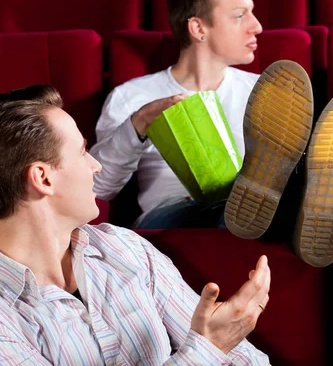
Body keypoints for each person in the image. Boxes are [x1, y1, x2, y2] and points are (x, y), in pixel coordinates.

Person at [0, 85, 270, 364]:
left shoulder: (125, 247)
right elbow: (216, 347)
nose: (96, 166)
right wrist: (210, 347)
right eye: (82, 151)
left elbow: (244, 358)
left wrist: (219, 344)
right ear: (43, 179)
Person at [90, 0, 263, 228]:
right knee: (237, 209)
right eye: (240, 16)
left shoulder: (262, 90)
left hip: (248, 206)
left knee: (247, 204)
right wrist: (139, 124)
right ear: (198, 27)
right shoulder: (132, 96)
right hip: (170, 216)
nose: (257, 26)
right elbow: (98, 186)